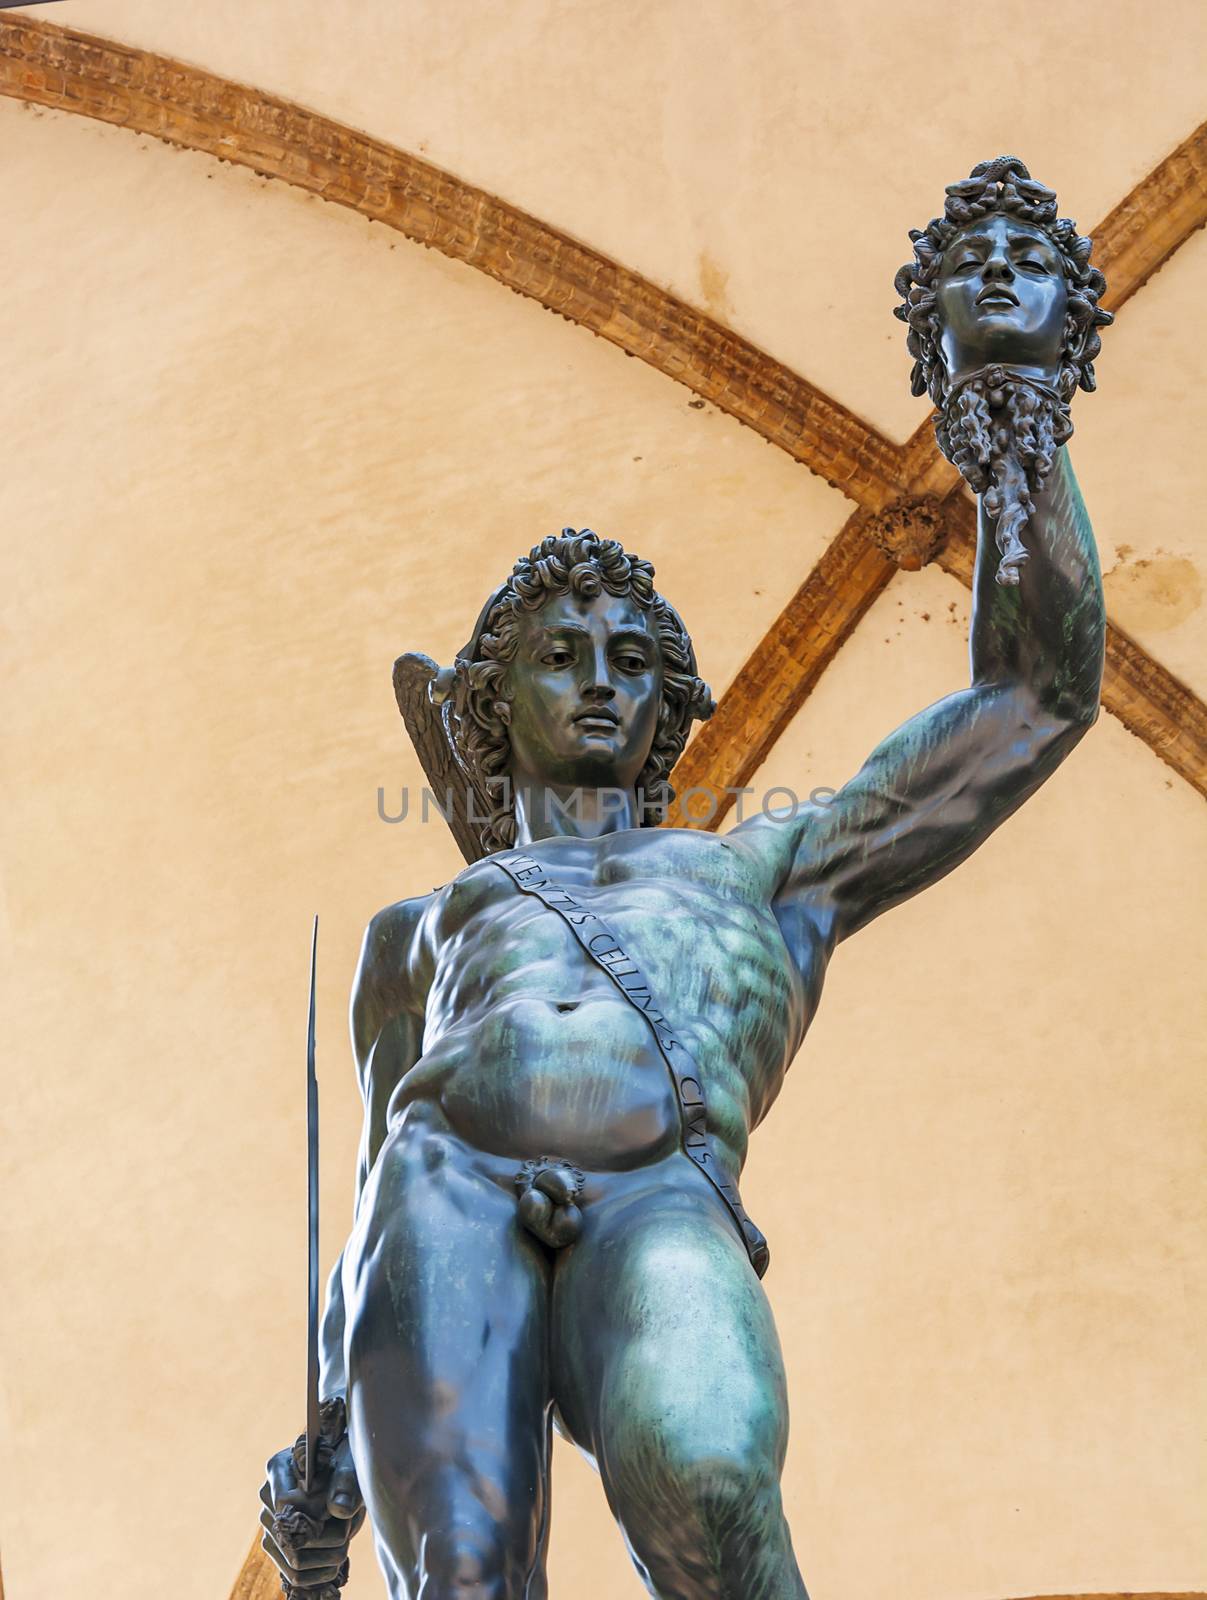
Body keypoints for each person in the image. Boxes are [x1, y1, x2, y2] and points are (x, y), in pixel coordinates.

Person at [260, 158, 1108, 1600]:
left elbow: (1029, 701)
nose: (601, 679)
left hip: (663, 1196)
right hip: (445, 1180)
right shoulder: (422, 928)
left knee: (708, 1486)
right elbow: (363, 1192)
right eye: (560, 654)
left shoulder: (769, 864)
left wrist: (1012, 411)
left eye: (635, 661)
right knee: (460, 1580)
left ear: (674, 709)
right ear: (489, 704)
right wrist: (324, 1454)